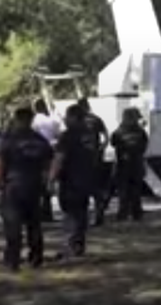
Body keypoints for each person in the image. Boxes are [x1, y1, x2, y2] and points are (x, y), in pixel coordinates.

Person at [0, 106, 54, 272]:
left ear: (16, 119)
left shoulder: (9, 139)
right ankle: (36, 257)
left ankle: (12, 261)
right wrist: (47, 182)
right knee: (34, 224)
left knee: (13, 224)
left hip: (13, 185)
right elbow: (48, 163)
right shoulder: (40, 140)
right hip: (34, 185)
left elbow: (0, 162)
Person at [50, 104, 100, 259]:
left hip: (70, 179)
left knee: (70, 213)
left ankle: (69, 247)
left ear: (73, 117)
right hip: (86, 177)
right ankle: (79, 245)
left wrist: (51, 178)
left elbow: (59, 158)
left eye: (67, 116)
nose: (65, 119)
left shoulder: (68, 135)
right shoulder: (90, 135)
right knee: (81, 213)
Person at [110, 108, 149, 222]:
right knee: (125, 192)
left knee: (133, 191)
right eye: (136, 118)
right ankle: (127, 213)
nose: (137, 120)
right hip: (126, 165)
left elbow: (144, 145)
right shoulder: (123, 131)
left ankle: (134, 213)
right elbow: (114, 143)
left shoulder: (124, 131)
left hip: (133, 164)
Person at [76, 97, 110, 226]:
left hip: (82, 158)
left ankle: (86, 216)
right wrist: (102, 147)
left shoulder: (77, 120)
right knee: (96, 187)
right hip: (95, 157)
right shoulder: (96, 119)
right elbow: (106, 135)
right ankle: (98, 213)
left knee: (84, 188)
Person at [31, 99, 62, 222]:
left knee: (38, 181)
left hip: (37, 153)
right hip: (50, 151)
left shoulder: (34, 121)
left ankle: (38, 211)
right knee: (48, 180)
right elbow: (58, 134)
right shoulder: (52, 120)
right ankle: (47, 211)